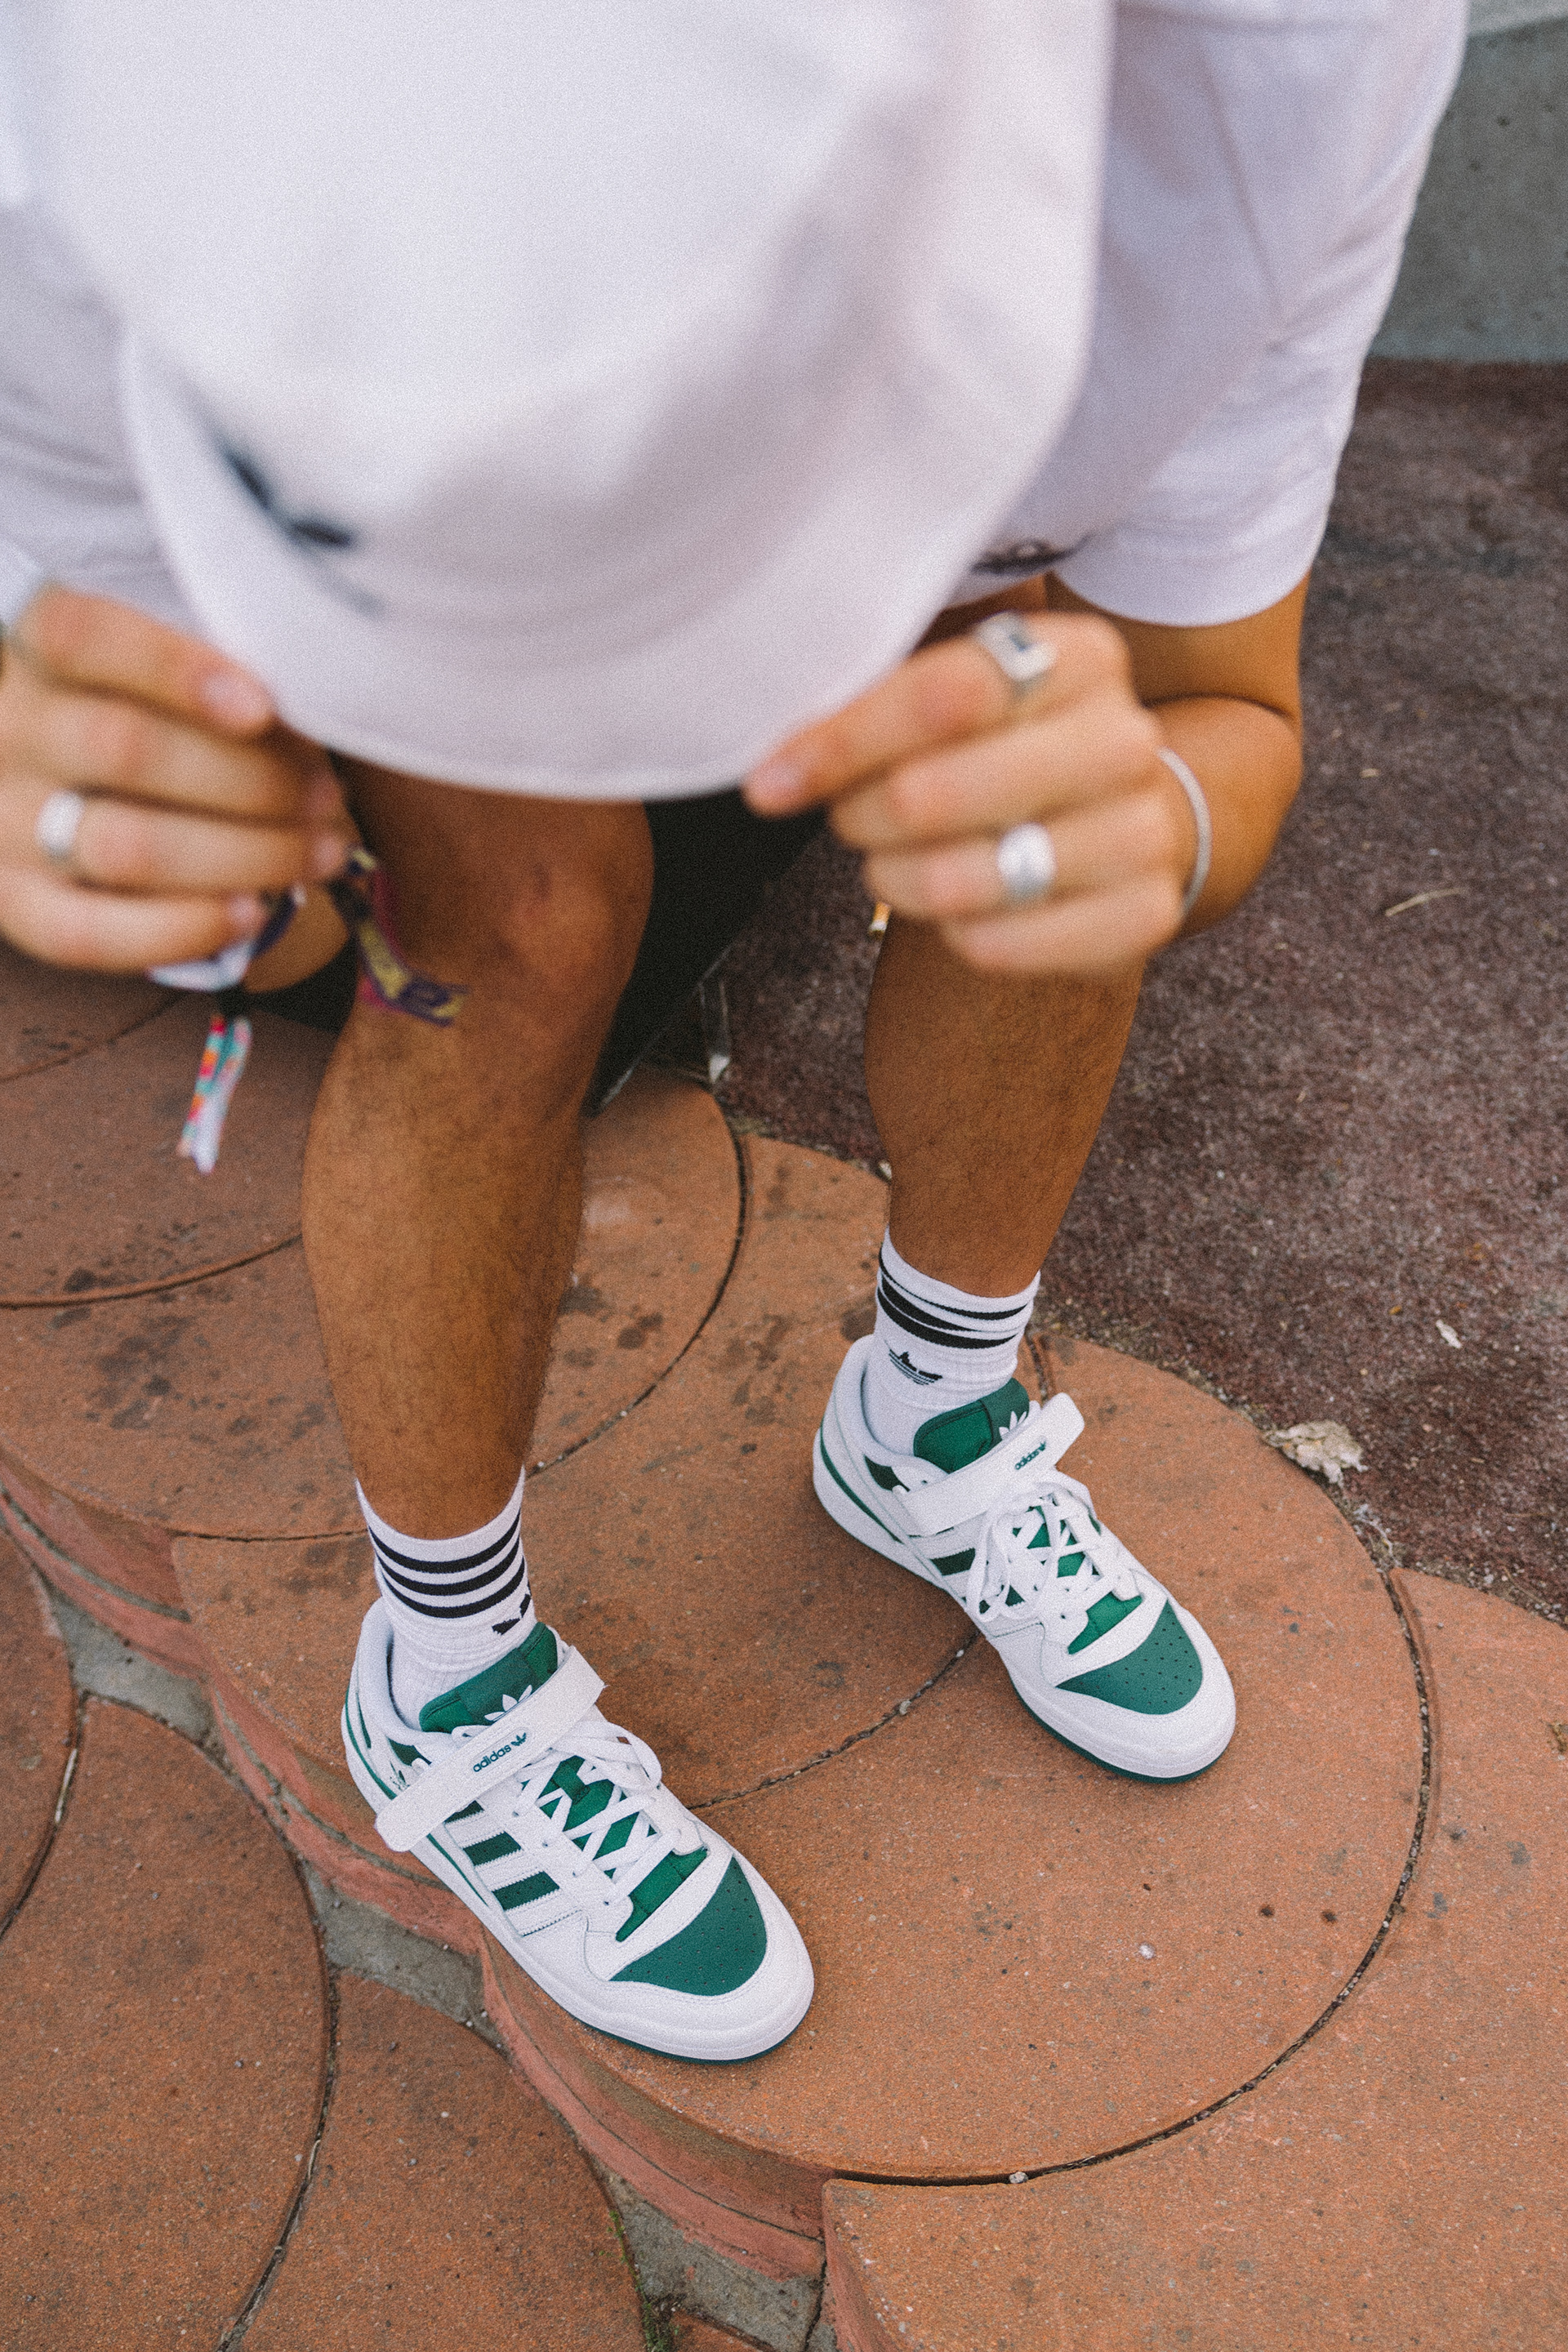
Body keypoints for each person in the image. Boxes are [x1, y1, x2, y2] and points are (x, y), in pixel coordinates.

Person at [0, 0, 1466, 2062]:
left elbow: (1225, 703)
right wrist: (138, 807)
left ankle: (932, 1422)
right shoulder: (120, 183)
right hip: (369, 428)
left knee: (1034, 780)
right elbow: (212, 825)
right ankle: (442, 1679)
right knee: (511, 932)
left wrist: (1162, 813)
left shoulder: (1269, 96)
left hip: (996, 352)